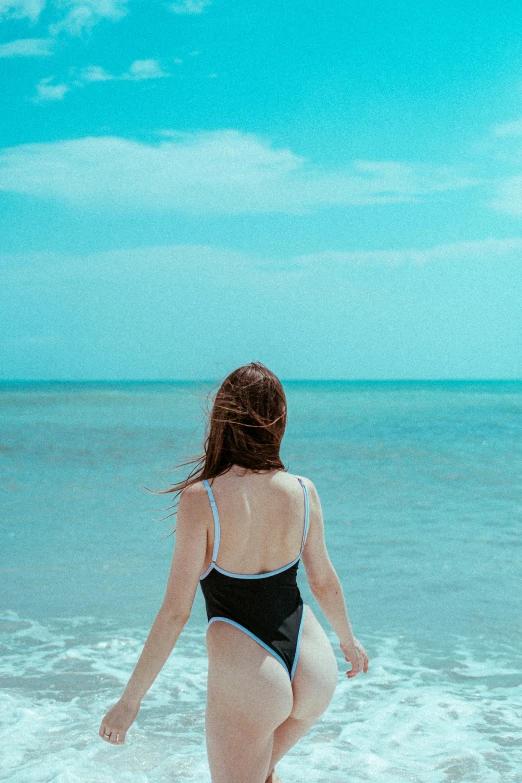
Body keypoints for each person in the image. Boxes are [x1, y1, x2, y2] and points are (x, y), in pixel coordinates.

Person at [98, 362, 369, 782]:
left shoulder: (201, 499)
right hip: (312, 664)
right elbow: (323, 581)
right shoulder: (302, 489)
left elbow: (175, 612)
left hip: (252, 676)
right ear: (279, 420)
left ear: (221, 419)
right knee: (263, 775)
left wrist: (130, 701)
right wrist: (348, 642)